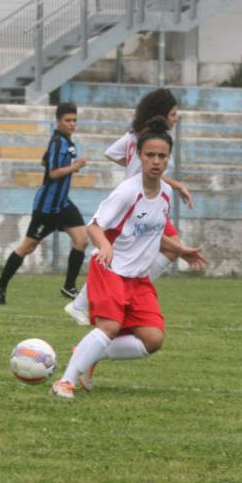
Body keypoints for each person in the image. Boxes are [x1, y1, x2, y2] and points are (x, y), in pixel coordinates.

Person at [51, 117, 206, 399]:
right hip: (110, 270)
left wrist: (180, 250)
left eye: (162, 156)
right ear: (139, 157)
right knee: (110, 327)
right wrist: (104, 247)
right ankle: (65, 382)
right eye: (150, 155)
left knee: (153, 339)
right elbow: (94, 226)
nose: (156, 161)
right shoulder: (126, 192)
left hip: (137, 279)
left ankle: (88, 353)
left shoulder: (166, 193)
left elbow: (153, 231)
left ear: (168, 159)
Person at [64, 87, 194, 325]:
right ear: (163, 113)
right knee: (168, 248)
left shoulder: (135, 137)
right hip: (139, 202)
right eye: (174, 113)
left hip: (148, 200)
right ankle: (117, 295)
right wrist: (145, 174)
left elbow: (110, 153)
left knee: (161, 250)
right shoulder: (151, 143)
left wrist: (166, 181)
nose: (176, 118)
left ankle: (84, 303)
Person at [0, 102, 88, 304]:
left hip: (63, 204)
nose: (72, 124)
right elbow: (52, 173)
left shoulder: (68, 142)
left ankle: (69, 286)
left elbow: (45, 161)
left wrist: (68, 167)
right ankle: (0, 283)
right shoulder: (56, 142)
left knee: (82, 240)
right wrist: (74, 167)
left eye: (74, 120)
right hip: (47, 208)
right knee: (27, 247)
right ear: (58, 121)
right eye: (68, 120)